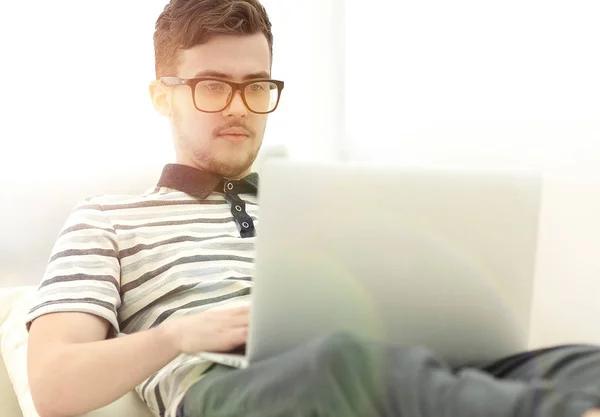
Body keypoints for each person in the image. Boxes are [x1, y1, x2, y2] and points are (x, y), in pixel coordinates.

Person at [24, 1, 600, 417]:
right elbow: (53, 387)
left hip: (379, 366)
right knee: (343, 363)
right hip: (227, 388)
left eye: (256, 85)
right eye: (212, 85)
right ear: (161, 95)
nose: (239, 107)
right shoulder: (106, 219)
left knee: (582, 365)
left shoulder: (317, 203)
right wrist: (181, 336)